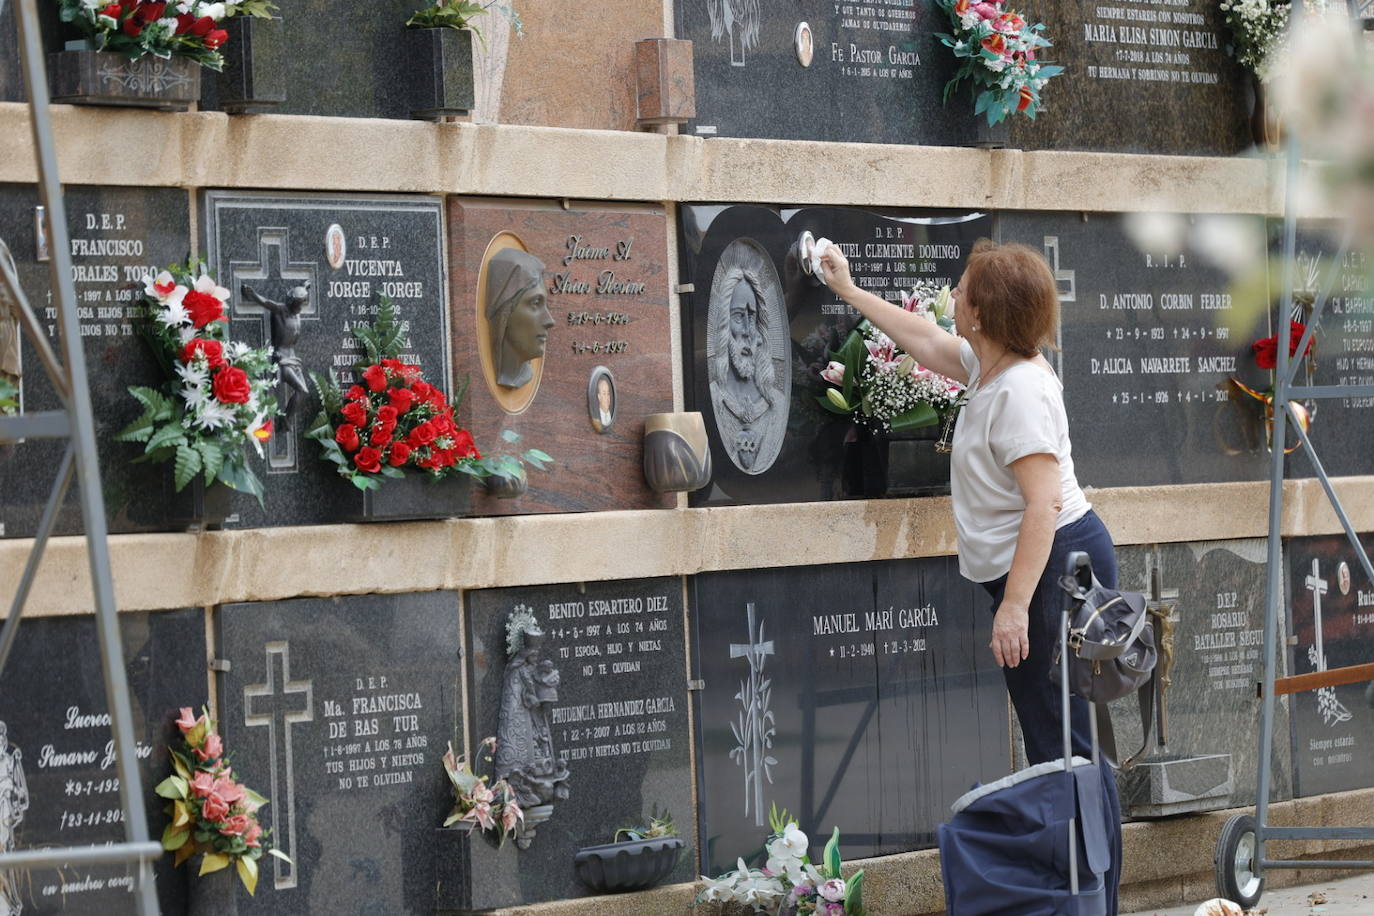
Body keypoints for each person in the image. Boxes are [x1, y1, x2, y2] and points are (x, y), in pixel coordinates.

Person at [821, 239, 1123, 913]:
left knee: (1067, 753)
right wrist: (847, 289)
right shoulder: (989, 366)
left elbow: (1043, 504)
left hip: (1053, 573)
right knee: (1064, 750)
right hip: (1041, 568)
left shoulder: (1019, 392)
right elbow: (923, 339)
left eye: (961, 289)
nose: (951, 296)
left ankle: (1093, 899)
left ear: (983, 314)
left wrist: (1015, 607)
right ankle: (1086, 896)